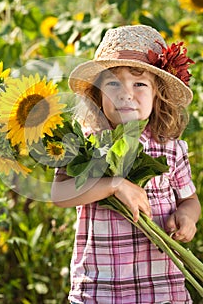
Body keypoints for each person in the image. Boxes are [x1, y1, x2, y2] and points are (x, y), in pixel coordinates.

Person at [51, 25, 201, 303]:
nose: (126, 93)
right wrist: (114, 185)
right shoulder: (86, 143)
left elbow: (190, 200)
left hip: (161, 287)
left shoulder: (169, 146)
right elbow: (59, 195)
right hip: (99, 288)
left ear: (159, 95)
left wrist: (187, 218)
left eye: (140, 84)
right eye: (113, 83)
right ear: (97, 95)